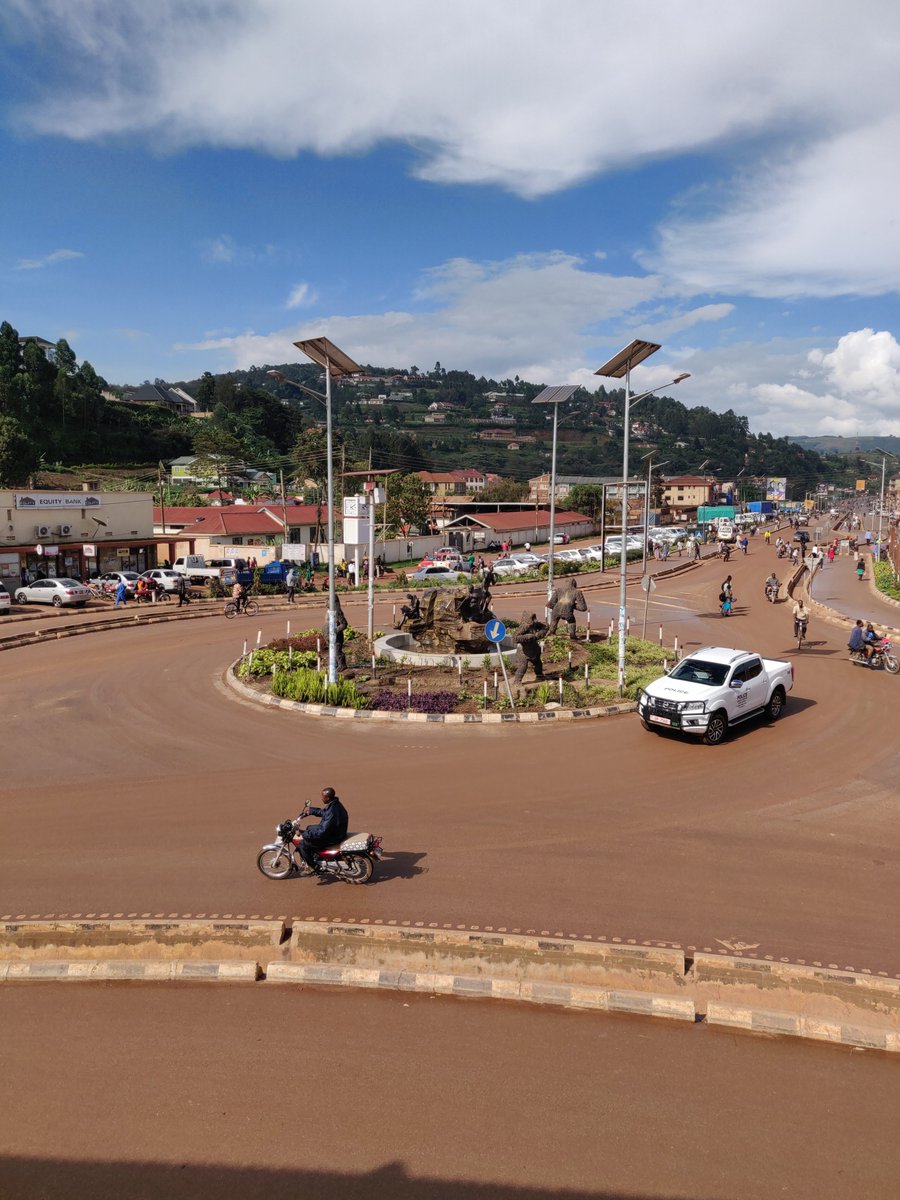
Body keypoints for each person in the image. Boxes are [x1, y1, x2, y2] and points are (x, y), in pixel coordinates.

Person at [297, 787, 349, 876]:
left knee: (302, 844)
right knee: (309, 827)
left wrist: (303, 833)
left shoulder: (332, 811)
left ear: (328, 798)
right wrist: (311, 810)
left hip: (333, 836)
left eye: (323, 796)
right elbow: (324, 813)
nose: (321, 798)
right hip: (336, 831)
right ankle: (316, 855)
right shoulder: (334, 804)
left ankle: (313, 867)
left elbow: (322, 832)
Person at [513, 611, 549, 685]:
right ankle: (517, 681)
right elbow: (515, 638)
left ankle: (539, 676)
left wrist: (538, 634)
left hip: (534, 650)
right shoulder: (524, 627)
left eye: (535, 618)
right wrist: (527, 637)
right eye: (533, 618)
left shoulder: (535, 625)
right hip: (523, 652)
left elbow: (546, 626)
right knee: (522, 667)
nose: (535, 620)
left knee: (538, 664)